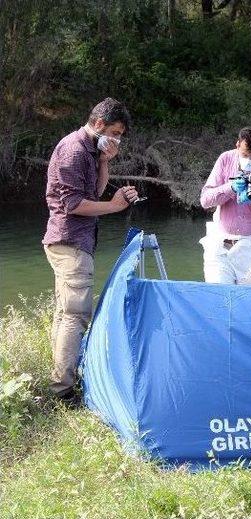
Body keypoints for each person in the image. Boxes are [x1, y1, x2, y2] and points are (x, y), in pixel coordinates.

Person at [42, 97, 139, 403]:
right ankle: (63, 391)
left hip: (73, 240)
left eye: (121, 135)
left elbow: (93, 192)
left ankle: (61, 379)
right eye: (116, 132)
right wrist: (114, 206)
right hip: (69, 241)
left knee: (65, 313)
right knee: (76, 314)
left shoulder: (89, 151)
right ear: (99, 124)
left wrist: (105, 161)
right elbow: (73, 205)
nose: (118, 139)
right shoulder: (72, 150)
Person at [199, 127, 251, 284]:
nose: (250, 161)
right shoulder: (225, 159)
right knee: (218, 295)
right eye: (245, 155)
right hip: (221, 245)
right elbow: (205, 200)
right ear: (237, 145)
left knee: (249, 299)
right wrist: (229, 188)